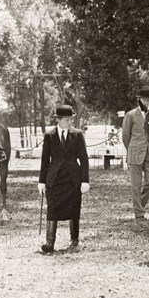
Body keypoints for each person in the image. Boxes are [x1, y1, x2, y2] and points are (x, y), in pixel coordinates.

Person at [38, 105, 90, 253]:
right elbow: (44, 160)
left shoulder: (78, 134)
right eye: (67, 119)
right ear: (59, 120)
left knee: (74, 209)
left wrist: (85, 180)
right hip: (54, 179)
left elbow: (84, 159)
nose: (70, 122)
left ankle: (74, 240)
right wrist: (41, 181)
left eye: (71, 119)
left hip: (73, 178)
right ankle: (50, 242)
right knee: (52, 207)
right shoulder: (49, 135)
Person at [122, 88, 149, 223]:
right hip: (135, 152)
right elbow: (125, 136)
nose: (146, 102)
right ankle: (139, 214)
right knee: (136, 185)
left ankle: (139, 206)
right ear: (139, 100)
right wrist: (130, 150)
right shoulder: (130, 115)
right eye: (144, 99)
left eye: (148, 100)